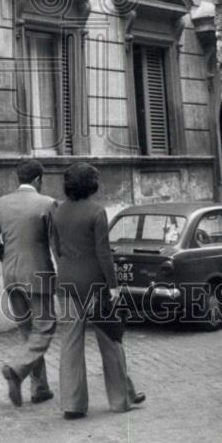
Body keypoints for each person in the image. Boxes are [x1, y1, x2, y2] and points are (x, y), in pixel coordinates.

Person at [51, 162, 145, 419]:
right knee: (110, 339)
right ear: (91, 185)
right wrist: (112, 285)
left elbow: (57, 249)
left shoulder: (57, 213)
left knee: (70, 343)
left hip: (66, 282)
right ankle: (120, 399)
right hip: (94, 283)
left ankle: (72, 405)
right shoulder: (97, 212)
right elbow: (103, 253)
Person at [0, 160, 57, 407]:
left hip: (11, 276)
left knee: (28, 333)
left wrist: (6, 254)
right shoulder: (47, 204)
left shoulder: (0, 204)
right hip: (38, 275)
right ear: (38, 179)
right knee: (45, 328)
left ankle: (40, 388)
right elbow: (55, 243)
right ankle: (16, 370)